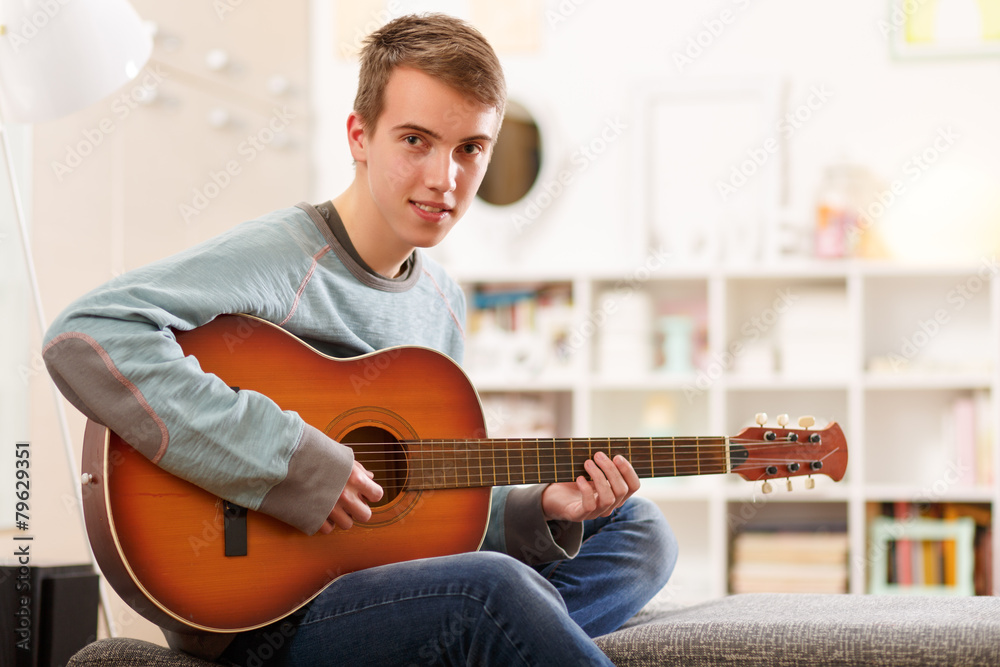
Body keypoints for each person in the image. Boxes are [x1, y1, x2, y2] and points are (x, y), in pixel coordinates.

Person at [43, 13, 676, 666]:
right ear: (359, 136)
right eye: (415, 140)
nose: (444, 178)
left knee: (642, 531)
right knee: (495, 590)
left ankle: (482, 642)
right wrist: (288, 460)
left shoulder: (443, 302)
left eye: (470, 148)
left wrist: (539, 508)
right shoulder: (284, 256)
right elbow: (86, 334)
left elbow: (431, 513)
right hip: (267, 616)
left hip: (391, 584)